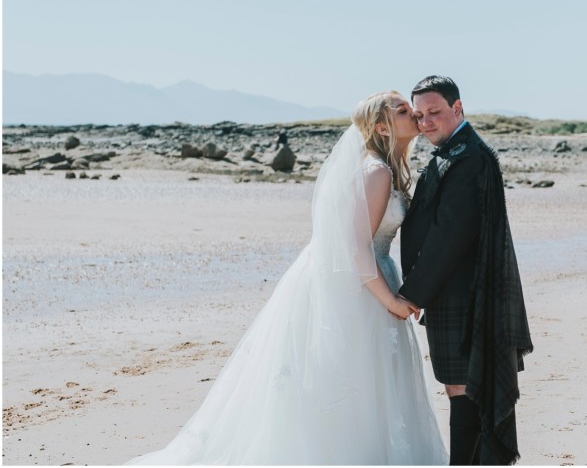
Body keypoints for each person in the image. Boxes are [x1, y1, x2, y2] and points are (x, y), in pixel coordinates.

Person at [127, 91, 448, 465]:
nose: (415, 116)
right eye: (403, 111)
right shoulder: (376, 171)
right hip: (361, 284)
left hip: (365, 277)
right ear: (381, 126)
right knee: (352, 379)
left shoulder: (382, 166)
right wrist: (390, 300)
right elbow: (356, 248)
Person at [399, 76, 533, 465]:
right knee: (461, 389)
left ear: (458, 109)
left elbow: (449, 237)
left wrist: (410, 295)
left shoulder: (468, 157)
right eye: (419, 115)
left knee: (465, 390)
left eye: (434, 112)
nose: (425, 121)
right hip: (452, 293)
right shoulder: (452, 151)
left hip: (465, 295)